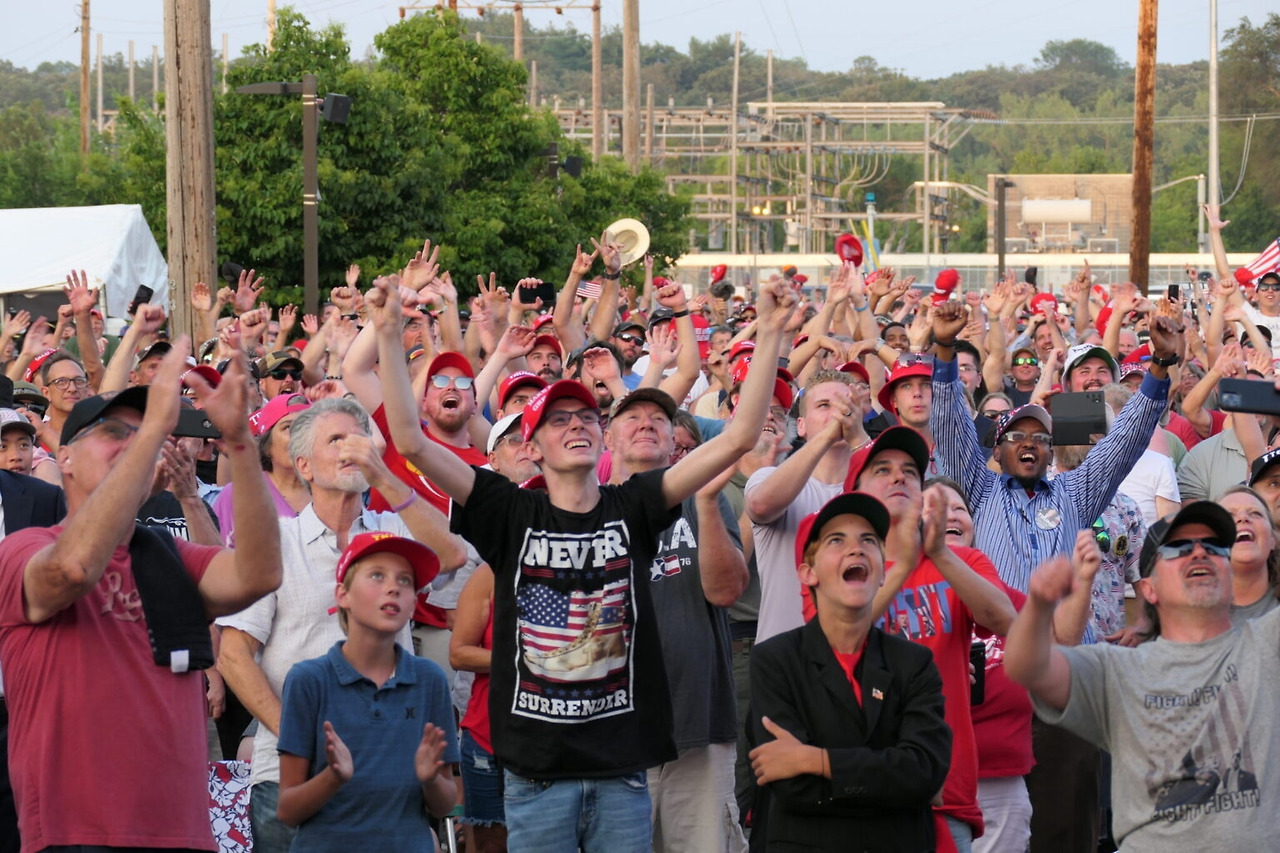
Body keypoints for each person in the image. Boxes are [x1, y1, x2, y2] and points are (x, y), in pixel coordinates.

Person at [369, 273, 796, 852]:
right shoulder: (507, 511)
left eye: (587, 419)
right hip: (537, 775)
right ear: (533, 444)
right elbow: (411, 442)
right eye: (559, 420)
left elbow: (741, 434)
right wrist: (390, 332)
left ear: (602, 437)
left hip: (621, 773)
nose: (576, 426)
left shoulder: (636, 506)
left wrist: (768, 333)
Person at [0, 343, 283, 853]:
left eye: (143, 433)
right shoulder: (27, 548)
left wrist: (239, 442)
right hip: (75, 834)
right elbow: (72, 570)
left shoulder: (169, 554)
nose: (133, 444)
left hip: (185, 833)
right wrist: (152, 430)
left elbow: (258, 575)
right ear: (61, 457)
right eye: (114, 433)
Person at [216, 397, 468, 853]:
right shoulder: (277, 541)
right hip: (292, 776)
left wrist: (383, 474)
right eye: (336, 439)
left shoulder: (393, 532)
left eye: (357, 437)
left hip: (392, 774)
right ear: (304, 466)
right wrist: (300, 736)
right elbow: (233, 653)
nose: (351, 447)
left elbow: (452, 555)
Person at [1006, 501, 1280, 848]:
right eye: (1179, 547)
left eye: (1213, 547)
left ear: (1229, 570)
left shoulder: (1268, 643)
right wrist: (1040, 603)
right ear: (1148, 588)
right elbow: (1025, 666)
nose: (1199, 553)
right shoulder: (1117, 669)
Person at [748, 491, 951, 852]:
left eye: (869, 541)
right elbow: (793, 788)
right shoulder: (774, 660)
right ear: (808, 573)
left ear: (883, 573)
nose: (856, 549)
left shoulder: (915, 663)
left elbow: (925, 771)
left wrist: (818, 760)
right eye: (836, 540)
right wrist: (890, 781)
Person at [605, 387, 749, 853]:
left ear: (674, 442)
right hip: (612, 734)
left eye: (658, 418)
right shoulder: (587, 509)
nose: (647, 422)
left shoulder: (703, 500)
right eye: (632, 416)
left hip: (699, 725)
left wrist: (706, 503)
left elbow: (726, 590)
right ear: (608, 437)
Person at [276, 532, 458, 852]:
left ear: (414, 603)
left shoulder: (430, 680)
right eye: (377, 575)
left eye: (406, 580)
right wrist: (334, 776)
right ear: (342, 595)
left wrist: (430, 779)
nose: (394, 587)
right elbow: (288, 810)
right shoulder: (309, 680)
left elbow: (445, 806)